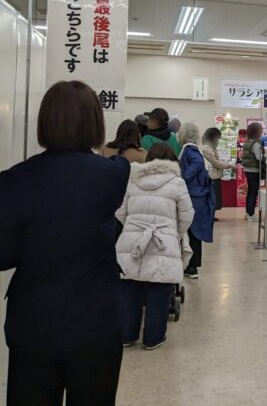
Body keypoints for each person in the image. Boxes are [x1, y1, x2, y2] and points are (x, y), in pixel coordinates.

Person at [0, 80, 130, 405]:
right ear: (95, 124)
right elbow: (118, 159)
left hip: (33, 323)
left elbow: (3, 255)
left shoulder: (13, 180)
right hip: (97, 324)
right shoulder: (112, 175)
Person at [116, 142, 194, 350]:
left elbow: (120, 210)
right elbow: (187, 215)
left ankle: (127, 335)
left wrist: (134, 227)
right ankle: (153, 338)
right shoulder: (177, 182)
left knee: (130, 286)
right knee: (159, 288)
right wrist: (174, 231)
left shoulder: (132, 179)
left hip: (132, 240)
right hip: (163, 239)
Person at [178, 122, 215, 279]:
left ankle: (192, 267)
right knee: (193, 232)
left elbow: (198, 164)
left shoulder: (189, 150)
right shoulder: (192, 149)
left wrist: (184, 177)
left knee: (191, 231)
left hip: (193, 196)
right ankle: (191, 266)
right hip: (197, 195)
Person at [202, 127, 233, 218]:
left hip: (215, 175)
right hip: (212, 176)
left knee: (215, 197)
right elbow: (215, 162)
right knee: (212, 196)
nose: (218, 141)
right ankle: (209, 215)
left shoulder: (210, 147)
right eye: (217, 138)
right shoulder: (207, 148)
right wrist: (228, 165)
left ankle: (211, 214)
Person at [242, 122, 263, 223]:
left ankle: (248, 213)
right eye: (260, 130)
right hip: (254, 171)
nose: (262, 131)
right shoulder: (256, 144)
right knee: (253, 193)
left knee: (250, 192)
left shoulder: (248, 141)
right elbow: (259, 157)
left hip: (247, 170)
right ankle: (251, 214)